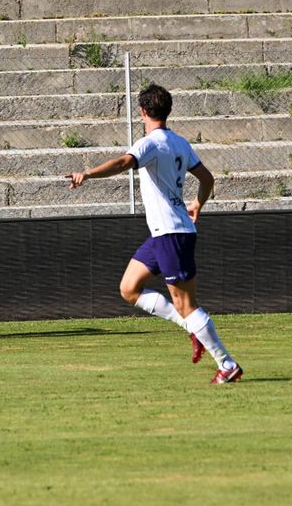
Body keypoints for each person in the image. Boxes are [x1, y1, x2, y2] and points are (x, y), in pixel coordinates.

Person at [65, 84, 243, 384]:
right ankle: (190, 328)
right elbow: (207, 178)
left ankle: (227, 363)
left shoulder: (150, 143)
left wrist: (88, 174)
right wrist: (197, 203)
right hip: (164, 234)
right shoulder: (180, 143)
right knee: (129, 288)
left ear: (143, 111)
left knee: (187, 305)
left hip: (172, 234)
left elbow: (123, 162)